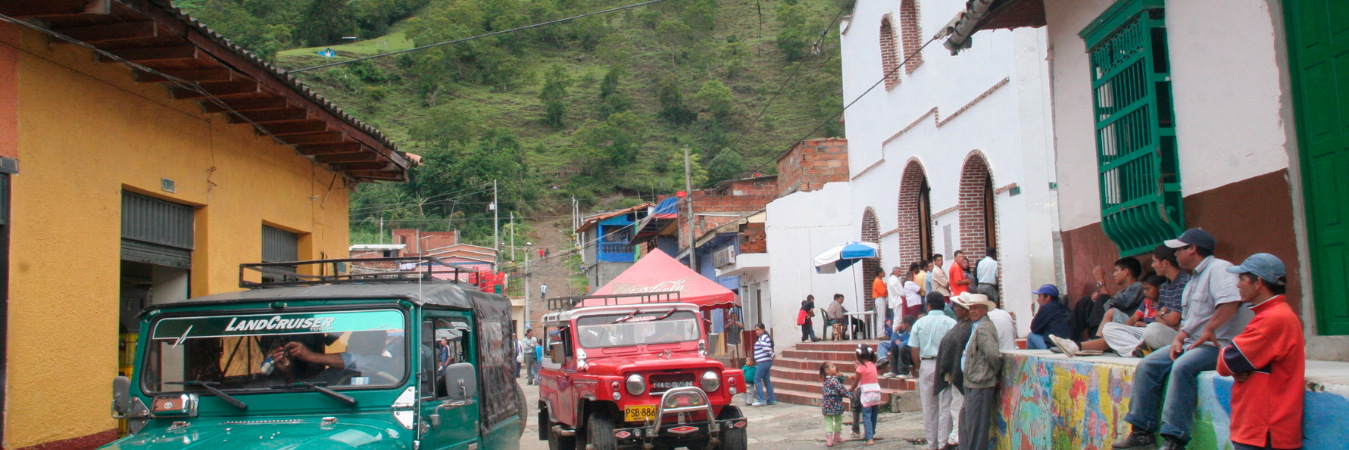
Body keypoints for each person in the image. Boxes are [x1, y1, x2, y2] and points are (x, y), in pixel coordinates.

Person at [1113, 228, 1253, 450]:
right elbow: (1191, 319)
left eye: (1178, 250)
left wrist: (1210, 329)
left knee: (1182, 367)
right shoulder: (1193, 279)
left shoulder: (1220, 269)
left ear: (1192, 249)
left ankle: (1174, 438)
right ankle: (1142, 434)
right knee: (1148, 365)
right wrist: (1181, 337)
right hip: (1192, 344)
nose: (1175, 255)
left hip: (1218, 346)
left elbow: (1230, 302)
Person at [1216, 253, 1303, 450]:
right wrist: (1241, 365)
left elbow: (1226, 362)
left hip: (1264, 430)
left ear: (1258, 282)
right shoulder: (1274, 314)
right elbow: (1238, 360)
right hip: (1262, 428)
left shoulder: (1273, 318)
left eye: (1242, 279)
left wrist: (1237, 364)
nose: (1238, 285)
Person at [1056, 273, 1179, 357]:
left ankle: (1077, 346)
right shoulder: (1146, 301)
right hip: (1140, 334)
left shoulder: (1164, 300)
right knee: (1109, 328)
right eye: (1144, 289)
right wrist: (1125, 329)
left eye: (1148, 289)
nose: (1144, 292)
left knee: (1152, 328)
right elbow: (1134, 318)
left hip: (1154, 334)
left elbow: (1169, 324)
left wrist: (1144, 324)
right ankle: (1138, 350)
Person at [911, 292, 957, 450]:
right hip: (945, 365)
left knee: (929, 407)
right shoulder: (951, 322)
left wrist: (919, 367)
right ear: (943, 305)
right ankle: (943, 443)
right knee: (945, 405)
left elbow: (914, 349)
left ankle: (931, 444)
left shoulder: (919, 323)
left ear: (928, 305)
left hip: (926, 363)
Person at [957, 293, 1002, 450]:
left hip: (980, 382)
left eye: (976, 308)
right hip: (972, 381)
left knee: (976, 427)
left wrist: (991, 374)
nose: (972, 311)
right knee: (966, 422)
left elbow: (993, 355)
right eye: (970, 308)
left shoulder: (984, 328)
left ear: (984, 310)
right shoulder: (977, 326)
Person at [934, 297, 973, 450]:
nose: (954, 309)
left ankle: (957, 439)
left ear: (965, 309)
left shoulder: (969, 327)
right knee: (954, 406)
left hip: (962, 373)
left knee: (960, 406)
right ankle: (954, 438)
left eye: (957, 306)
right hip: (954, 372)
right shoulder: (961, 325)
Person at [1093, 258, 1146, 338]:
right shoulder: (1122, 292)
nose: (1114, 274)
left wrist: (1100, 281)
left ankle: (1096, 338)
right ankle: (1074, 337)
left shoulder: (1138, 286)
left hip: (1128, 322)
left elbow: (1117, 304)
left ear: (1126, 271)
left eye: (1116, 270)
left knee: (1103, 301)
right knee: (1086, 302)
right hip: (1116, 318)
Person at [848, 345, 882, 446]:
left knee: (866, 415)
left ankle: (869, 438)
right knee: (874, 415)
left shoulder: (860, 369)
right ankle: (872, 433)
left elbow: (856, 383)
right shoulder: (873, 365)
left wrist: (849, 391)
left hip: (866, 393)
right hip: (876, 392)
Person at [1026, 284, 1072, 350]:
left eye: (1040, 296)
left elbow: (1034, 328)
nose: (1037, 300)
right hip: (1068, 346)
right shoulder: (1064, 308)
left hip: (1054, 347)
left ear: (1048, 297)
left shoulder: (1047, 307)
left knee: (1031, 336)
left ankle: (1032, 357)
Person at [820, 362, 848, 447]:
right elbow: (841, 389)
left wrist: (841, 376)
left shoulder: (827, 379)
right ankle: (837, 436)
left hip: (826, 405)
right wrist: (850, 395)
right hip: (835, 405)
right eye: (832, 366)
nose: (835, 367)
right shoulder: (833, 380)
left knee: (828, 422)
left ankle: (829, 440)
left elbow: (840, 380)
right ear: (827, 370)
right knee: (838, 420)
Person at [752, 324, 776, 406]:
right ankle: (772, 399)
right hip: (767, 361)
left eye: (758, 329)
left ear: (763, 330)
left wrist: (772, 354)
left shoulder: (762, 338)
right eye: (756, 330)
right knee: (767, 380)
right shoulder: (765, 337)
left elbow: (765, 347)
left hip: (763, 361)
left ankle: (761, 399)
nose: (757, 331)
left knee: (757, 379)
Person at [886, 266, 906, 339]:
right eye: (898, 271)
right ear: (894, 272)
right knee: (898, 319)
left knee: (896, 319)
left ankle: (895, 334)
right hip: (897, 301)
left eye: (900, 271)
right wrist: (905, 295)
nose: (899, 273)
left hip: (893, 301)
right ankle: (895, 335)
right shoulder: (895, 280)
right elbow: (902, 292)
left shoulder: (890, 279)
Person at [873, 270, 890, 337]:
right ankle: (881, 333)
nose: (884, 273)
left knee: (881, 316)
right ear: (879, 273)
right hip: (880, 298)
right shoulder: (878, 281)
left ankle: (881, 332)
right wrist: (885, 287)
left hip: (880, 299)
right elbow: (882, 292)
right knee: (881, 316)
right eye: (883, 272)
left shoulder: (879, 281)